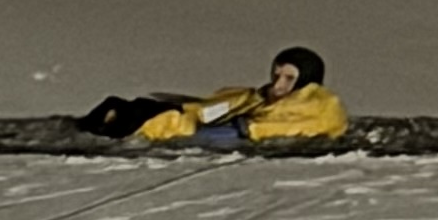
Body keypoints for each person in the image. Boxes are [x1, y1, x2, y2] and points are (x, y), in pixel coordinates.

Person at [77, 46, 350, 151]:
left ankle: (127, 128)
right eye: (276, 74)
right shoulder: (261, 95)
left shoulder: (320, 104)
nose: (278, 84)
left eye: (288, 78)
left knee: (172, 127)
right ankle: (125, 117)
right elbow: (222, 106)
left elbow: (310, 126)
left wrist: (253, 129)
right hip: (231, 123)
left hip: (240, 132)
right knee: (150, 109)